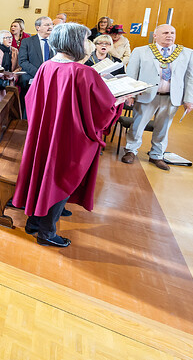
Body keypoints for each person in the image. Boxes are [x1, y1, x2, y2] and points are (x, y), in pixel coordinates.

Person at [12, 23, 127, 248]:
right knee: (62, 178)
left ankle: (35, 222)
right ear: (75, 42)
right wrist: (118, 102)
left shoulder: (47, 65)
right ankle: (47, 232)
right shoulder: (82, 72)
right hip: (70, 137)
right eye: (86, 40)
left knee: (46, 175)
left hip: (47, 132)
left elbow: (32, 99)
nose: (89, 44)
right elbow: (101, 110)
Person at [121, 24, 193, 170]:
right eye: (165, 33)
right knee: (138, 125)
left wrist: (190, 100)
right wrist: (130, 94)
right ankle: (131, 150)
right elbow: (131, 75)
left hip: (171, 97)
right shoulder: (141, 51)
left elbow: (191, 78)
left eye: (172, 33)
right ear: (155, 35)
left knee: (163, 127)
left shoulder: (187, 53)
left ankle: (157, 155)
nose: (169, 35)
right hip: (147, 95)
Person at [18, 16, 54, 87]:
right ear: (38, 27)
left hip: (52, 77)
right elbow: (23, 61)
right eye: (47, 25)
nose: (50, 27)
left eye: (51, 24)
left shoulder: (56, 41)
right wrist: (38, 73)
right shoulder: (27, 41)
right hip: (32, 75)